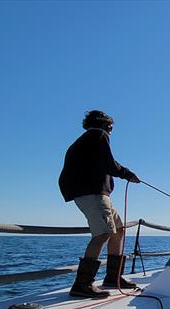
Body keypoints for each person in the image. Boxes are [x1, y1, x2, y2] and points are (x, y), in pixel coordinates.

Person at [59, 110, 141, 298]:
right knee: (103, 233)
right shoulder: (98, 135)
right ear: (103, 124)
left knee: (118, 229)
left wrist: (123, 171)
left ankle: (113, 277)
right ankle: (82, 284)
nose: (111, 131)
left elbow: (108, 161)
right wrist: (127, 174)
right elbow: (109, 163)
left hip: (98, 193)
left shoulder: (88, 140)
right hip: (92, 193)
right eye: (110, 126)